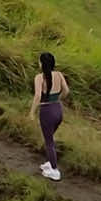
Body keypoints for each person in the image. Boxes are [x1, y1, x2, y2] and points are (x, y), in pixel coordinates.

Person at [28, 51, 69, 180]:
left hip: (46, 111)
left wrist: (32, 112)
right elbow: (66, 91)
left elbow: (38, 96)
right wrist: (58, 100)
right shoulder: (59, 74)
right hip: (58, 110)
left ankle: (54, 170)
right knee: (50, 138)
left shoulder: (39, 77)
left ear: (42, 63)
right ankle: (49, 162)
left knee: (49, 142)